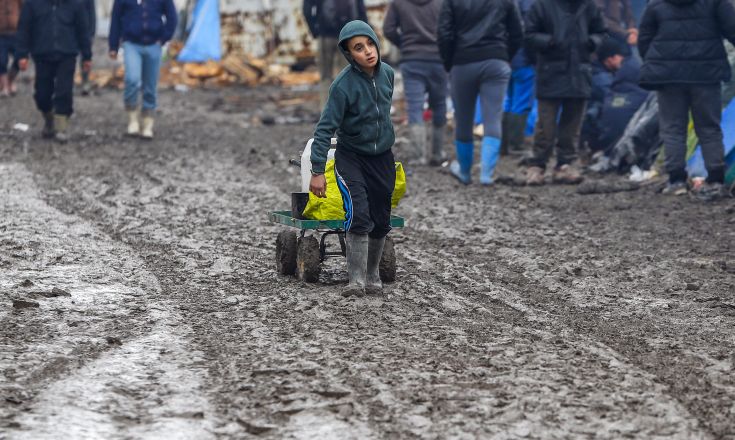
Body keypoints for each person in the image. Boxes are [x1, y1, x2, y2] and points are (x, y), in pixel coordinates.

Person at [309, 20, 396, 297]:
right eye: (359, 48)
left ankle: (373, 277)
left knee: (381, 218)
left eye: (370, 43)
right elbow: (324, 129)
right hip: (351, 158)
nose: (368, 51)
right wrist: (317, 170)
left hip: (381, 157)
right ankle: (356, 281)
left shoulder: (388, 75)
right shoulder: (342, 86)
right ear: (349, 54)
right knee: (359, 214)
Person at [638, 0, 735, 199]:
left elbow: (644, 39)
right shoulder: (716, 2)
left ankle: (676, 181)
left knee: (673, 129)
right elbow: (733, 30)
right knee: (709, 128)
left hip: (668, 77)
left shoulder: (656, 4)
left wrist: (658, 63)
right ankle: (715, 180)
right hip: (706, 75)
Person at [437, 0, 524, 185]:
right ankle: (486, 174)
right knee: (492, 117)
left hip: (463, 62)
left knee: (463, 120)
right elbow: (518, 32)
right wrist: (505, 55)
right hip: (496, 60)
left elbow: (444, 32)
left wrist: (449, 62)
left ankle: (465, 173)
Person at [523, 0, 606, 185]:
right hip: (551, 71)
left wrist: (591, 42)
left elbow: (601, 31)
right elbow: (528, 35)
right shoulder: (542, 6)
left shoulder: (589, 6)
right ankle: (537, 165)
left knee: (572, 125)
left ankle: (565, 164)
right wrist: (549, 41)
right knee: (546, 125)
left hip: (579, 72)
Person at [16, 0, 91, 142]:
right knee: (42, 94)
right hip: (42, 54)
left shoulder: (75, 5)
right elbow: (24, 29)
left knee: (64, 91)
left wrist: (86, 56)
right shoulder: (33, 4)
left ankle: (61, 127)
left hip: (67, 55)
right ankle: (49, 118)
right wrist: (22, 54)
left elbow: (83, 30)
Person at [383, 0, 447, 166]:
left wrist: (404, 44)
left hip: (412, 60)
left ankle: (418, 156)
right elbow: (449, 28)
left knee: (415, 106)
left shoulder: (398, 3)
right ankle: (437, 153)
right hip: (438, 59)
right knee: (439, 104)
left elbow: (388, 29)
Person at [109, 0, 177, 139]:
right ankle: (132, 118)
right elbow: (115, 19)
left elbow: (172, 17)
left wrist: (164, 38)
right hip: (131, 44)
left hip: (154, 45)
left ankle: (147, 123)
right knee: (132, 79)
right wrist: (113, 45)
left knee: (150, 85)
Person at [303, 0, 368, 108]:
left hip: (325, 36)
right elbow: (361, 10)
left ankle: (327, 112)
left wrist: (315, 30)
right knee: (347, 76)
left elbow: (307, 10)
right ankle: (346, 110)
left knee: (325, 77)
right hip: (348, 36)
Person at [502, 0, 536, 156]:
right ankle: (516, 145)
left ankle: (503, 144)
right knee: (521, 103)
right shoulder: (530, 5)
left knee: (508, 101)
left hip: (505, 58)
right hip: (523, 60)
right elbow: (529, 32)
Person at [0, 0, 22, 97]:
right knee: (1, 61)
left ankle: (10, 80)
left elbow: (24, 9)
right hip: (1, 34)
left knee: (20, 58)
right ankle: (5, 88)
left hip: (16, 33)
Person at [79, 0, 95, 96]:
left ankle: (85, 82)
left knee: (85, 58)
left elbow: (91, 12)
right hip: (68, 29)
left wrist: (91, 31)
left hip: (84, 30)